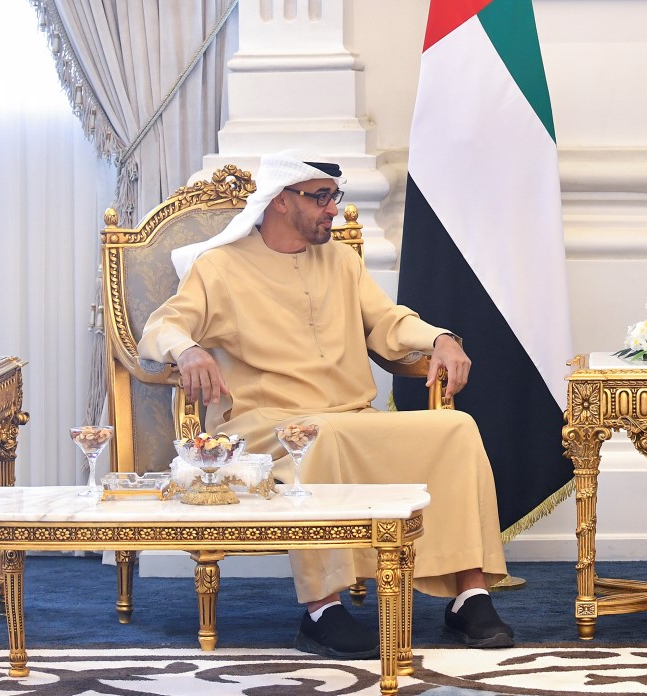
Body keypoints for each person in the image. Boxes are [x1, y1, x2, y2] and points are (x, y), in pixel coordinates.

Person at [140, 151, 515, 659]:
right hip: (266, 424)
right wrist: (187, 350)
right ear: (280, 201)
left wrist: (440, 338)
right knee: (318, 436)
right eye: (320, 198)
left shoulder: (341, 260)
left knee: (457, 428)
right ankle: (322, 610)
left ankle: (469, 595)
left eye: (334, 197)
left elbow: (387, 322)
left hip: (350, 417)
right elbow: (162, 326)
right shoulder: (219, 267)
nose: (332, 209)